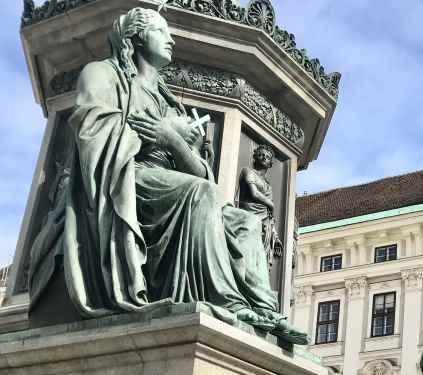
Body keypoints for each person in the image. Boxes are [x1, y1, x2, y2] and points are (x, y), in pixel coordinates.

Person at [26, 7, 307, 343]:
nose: (171, 39)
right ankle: (228, 302)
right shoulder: (102, 74)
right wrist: (156, 135)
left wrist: (172, 139)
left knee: (245, 223)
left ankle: (264, 312)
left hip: (170, 183)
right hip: (125, 177)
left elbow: (201, 170)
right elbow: (93, 135)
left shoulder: (170, 102)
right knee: (199, 194)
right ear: (135, 36)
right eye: (161, 32)